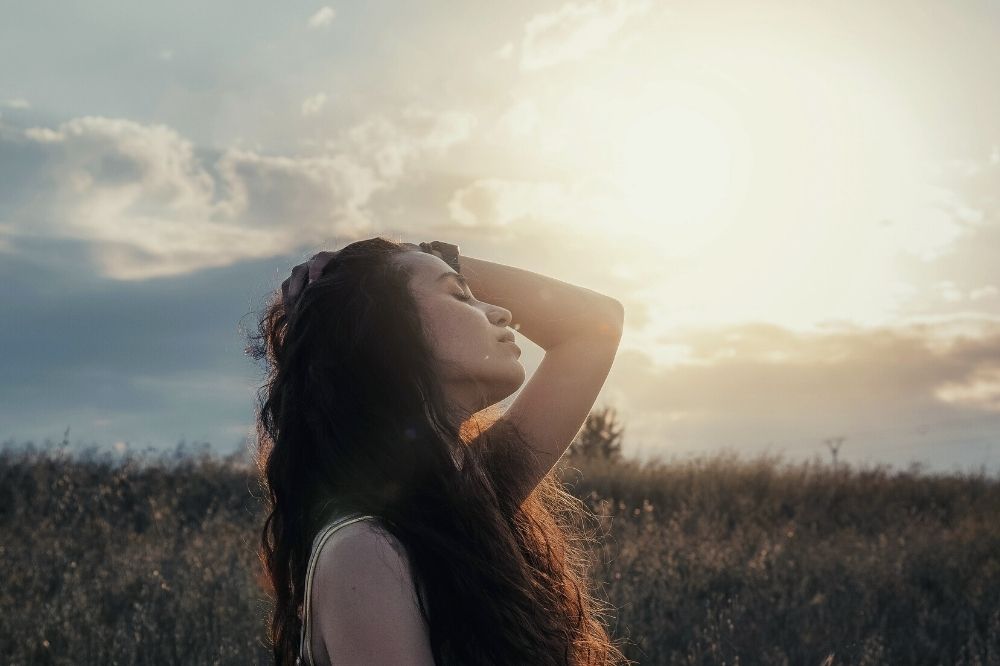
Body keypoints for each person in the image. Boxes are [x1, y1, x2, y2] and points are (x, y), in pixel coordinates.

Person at [246, 236, 630, 665]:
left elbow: (597, 323)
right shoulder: (363, 552)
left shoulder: (467, 495)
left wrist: (435, 258)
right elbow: (595, 326)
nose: (501, 312)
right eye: (459, 294)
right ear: (387, 332)